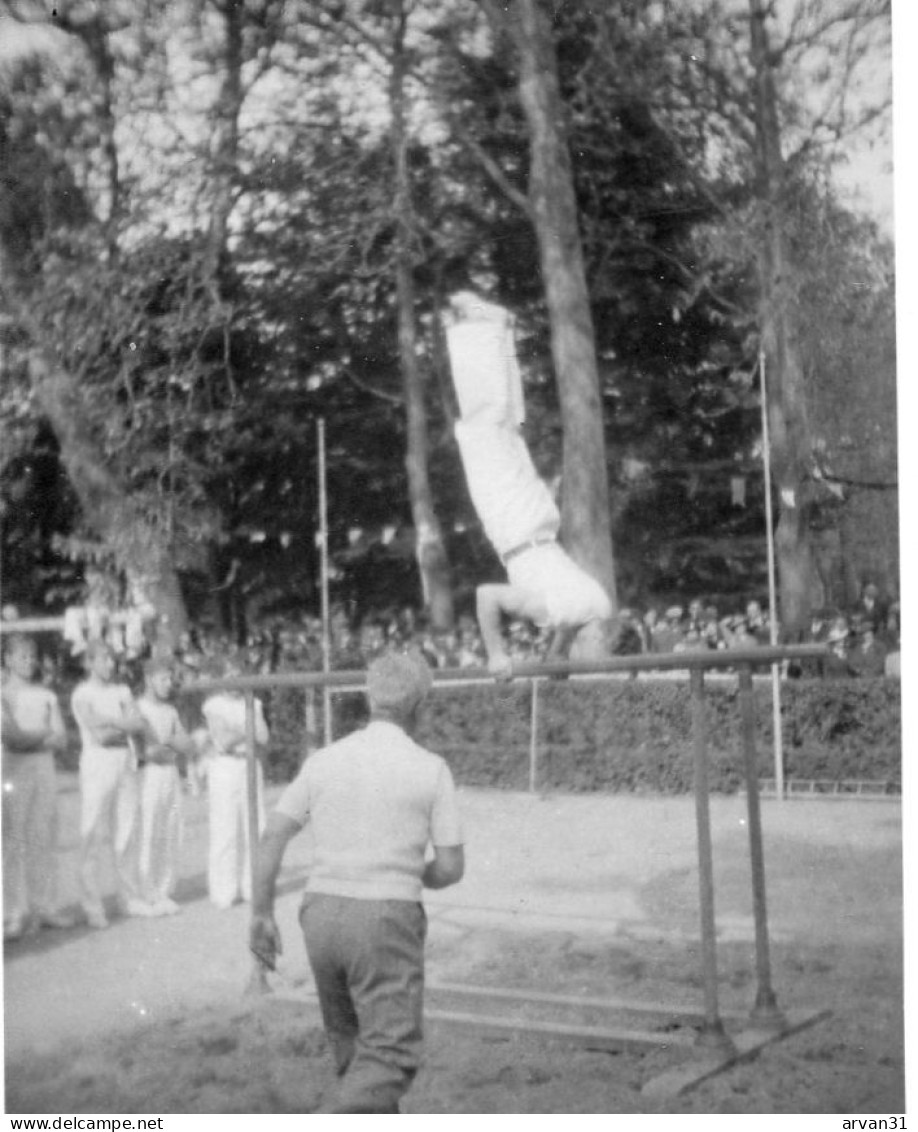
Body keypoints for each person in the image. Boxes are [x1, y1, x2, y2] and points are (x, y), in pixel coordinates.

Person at [250, 650, 464, 1114]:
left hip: (321, 912)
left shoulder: (325, 760)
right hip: (384, 916)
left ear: (370, 698)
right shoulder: (431, 768)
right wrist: (413, 872)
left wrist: (262, 913)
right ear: (419, 707)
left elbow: (272, 835)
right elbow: (449, 868)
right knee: (392, 1054)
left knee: (352, 1046)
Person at [444, 292, 612, 678]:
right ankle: (485, 326)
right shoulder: (558, 610)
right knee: (482, 427)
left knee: (506, 425)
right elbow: (486, 596)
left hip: (537, 521)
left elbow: (559, 652)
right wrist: (497, 654)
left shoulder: (594, 604)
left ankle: (500, 330)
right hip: (515, 530)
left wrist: (555, 664)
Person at [70, 640, 152, 928]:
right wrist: (122, 723)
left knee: (127, 829)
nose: (110, 664)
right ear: (89, 662)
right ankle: (92, 905)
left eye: (112, 659)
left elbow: (139, 724)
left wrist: (111, 722)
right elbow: (99, 735)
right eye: (103, 659)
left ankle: (128, 898)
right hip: (97, 763)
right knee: (92, 831)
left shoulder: (123, 691)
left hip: (124, 761)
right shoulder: (82, 694)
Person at [1, 635, 76, 940]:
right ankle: (12, 912)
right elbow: (12, 738)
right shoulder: (3, 695)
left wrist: (38, 736)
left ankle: (43, 906)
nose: (28, 662)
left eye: (32, 657)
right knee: (13, 840)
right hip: (14, 770)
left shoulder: (45, 695)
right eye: (21, 657)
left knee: (43, 835)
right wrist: (43, 734)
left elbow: (61, 739)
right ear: (7, 660)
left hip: (43, 767)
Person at [200, 652, 269, 909]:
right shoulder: (213, 704)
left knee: (257, 825)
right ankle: (223, 890)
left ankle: (253, 887)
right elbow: (223, 739)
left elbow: (262, 736)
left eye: (238, 674)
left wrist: (239, 728)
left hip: (250, 763)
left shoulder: (254, 702)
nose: (233, 679)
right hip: (225, 765)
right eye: (228, 674)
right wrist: (245, 727)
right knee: (224, 828)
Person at [136, 658, 198, 915]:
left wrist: (170, 744)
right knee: (149, 830)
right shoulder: (138, 708)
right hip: (149, 776)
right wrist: (172, 744)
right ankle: (145, 891)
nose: (168, 684)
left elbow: (189, 745)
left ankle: (164, 890)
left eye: (170, 679)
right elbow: (148, 751)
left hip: (170, 774)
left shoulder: (170, 711)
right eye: (163, 679)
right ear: (150, 679)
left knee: (172, 829)